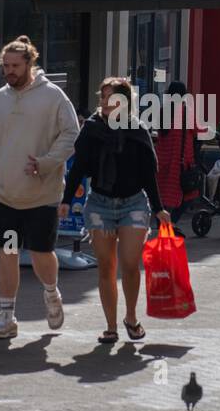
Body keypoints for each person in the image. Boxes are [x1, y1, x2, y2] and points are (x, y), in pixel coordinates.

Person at [0, 35, 79, 340]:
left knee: (40, 253)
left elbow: (72, 134)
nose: (9, 71)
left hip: (42, 195)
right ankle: (6, 315)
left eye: (15, 66)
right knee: (7, 253)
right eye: (5, 66)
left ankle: (51, 293)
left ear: (29, 63)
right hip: (5, 196)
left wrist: (47, 163)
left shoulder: (53, 96)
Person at [61, 78, 168, 345]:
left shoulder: (138, 130)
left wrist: (159, 209)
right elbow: (78, 167)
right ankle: (111, 327)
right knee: (107, 268)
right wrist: (65, 200)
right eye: (103, 98)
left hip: (133, 203)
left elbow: (147, 174)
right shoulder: (92, 129)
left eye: (112, 98)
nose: (105, 103)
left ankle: (131, 317)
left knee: (131, 265)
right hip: (99, 204)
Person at [155, 80, 199, 231]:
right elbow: (197, 130)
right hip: (179, 163)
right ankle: (170, 222)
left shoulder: (162, 111)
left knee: (162, 195)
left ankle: (161, 222)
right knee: (189, 195)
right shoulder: (186, 112)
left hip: (162, 161)